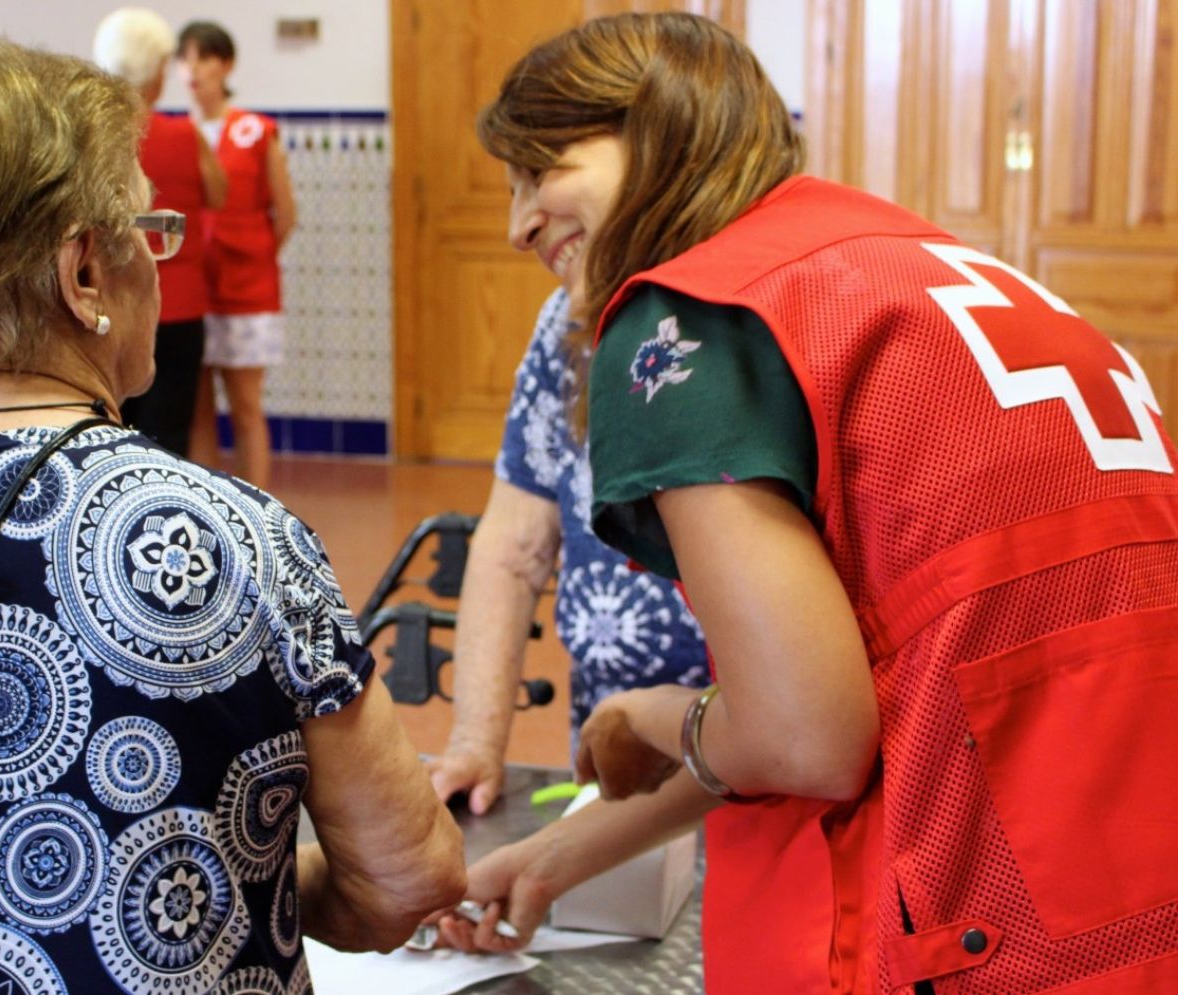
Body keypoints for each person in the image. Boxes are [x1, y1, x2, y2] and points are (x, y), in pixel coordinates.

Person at [0, 40, 463, 995]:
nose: (161, 255)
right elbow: (408, 875)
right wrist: (221, 889)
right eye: (151, 227)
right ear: (85, 274)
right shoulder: (235, 532)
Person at [440, 12, 1178, 994]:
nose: (518, 221)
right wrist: (554, 856)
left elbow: (808, 738)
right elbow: (847, 687)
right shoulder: (901, 258)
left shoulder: (684, 319)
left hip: (980, 899)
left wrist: (645, 713)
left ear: (657, 128)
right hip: (1119, 848)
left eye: (542, 169)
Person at [425, 284, 709, 818]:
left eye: (538, 192)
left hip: (755, 774)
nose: (520, 228)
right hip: (617, 760)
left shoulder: (761, 305)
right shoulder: (570, 311)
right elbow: (515, 546)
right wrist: (475, 743)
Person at [93, 7, 226, 458]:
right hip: (180, 304)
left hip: (113, 302)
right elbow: (218, 192)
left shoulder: (92, 141)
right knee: (170, 434)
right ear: (156, 70)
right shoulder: (185, 135)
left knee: (113, 429)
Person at [179, 20, 296, 490]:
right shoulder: (177, 132)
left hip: (246, 289)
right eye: (186, 58)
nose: (194, 68)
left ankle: (261, 510)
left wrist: (254, 256)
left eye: (204, 57)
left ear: (225, 65)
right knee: (198, 410)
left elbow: (285, 212)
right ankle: (209, 507)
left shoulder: (254, 130)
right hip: (193, 291)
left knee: (246, 406)